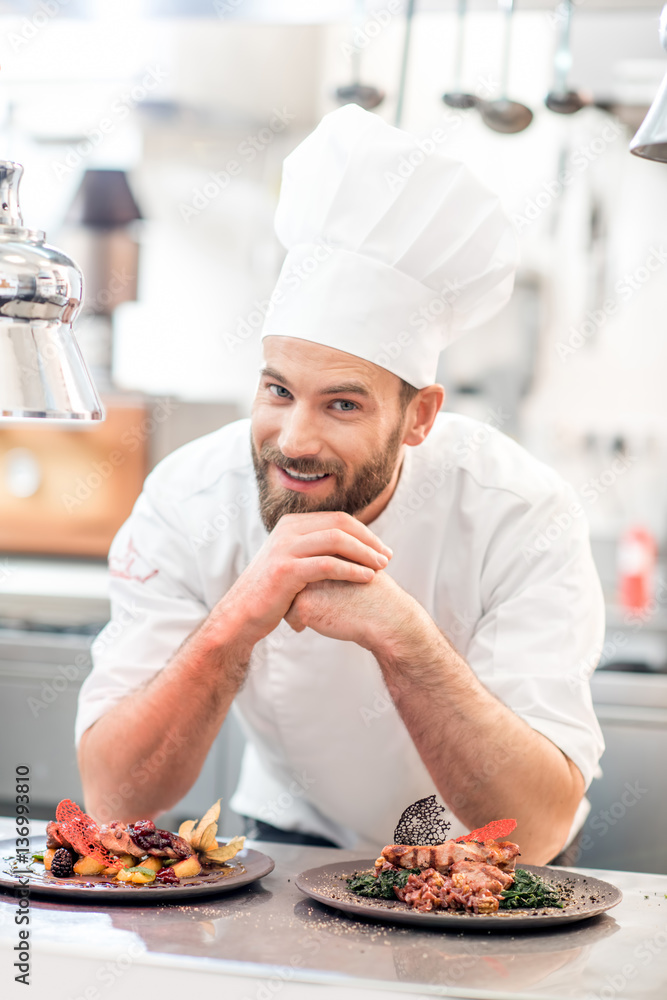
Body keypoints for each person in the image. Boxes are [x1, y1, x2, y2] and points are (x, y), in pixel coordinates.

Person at [76, 105, 604, 864]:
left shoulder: (520, 514)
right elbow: (115, 799)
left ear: (418, 417)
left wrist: (407, 641)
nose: (294, 439)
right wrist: (236, 620)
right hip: (295, 837)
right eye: (277, 391)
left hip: (492, 855)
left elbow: (540, 827)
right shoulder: (189, 499)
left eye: (343, 404)